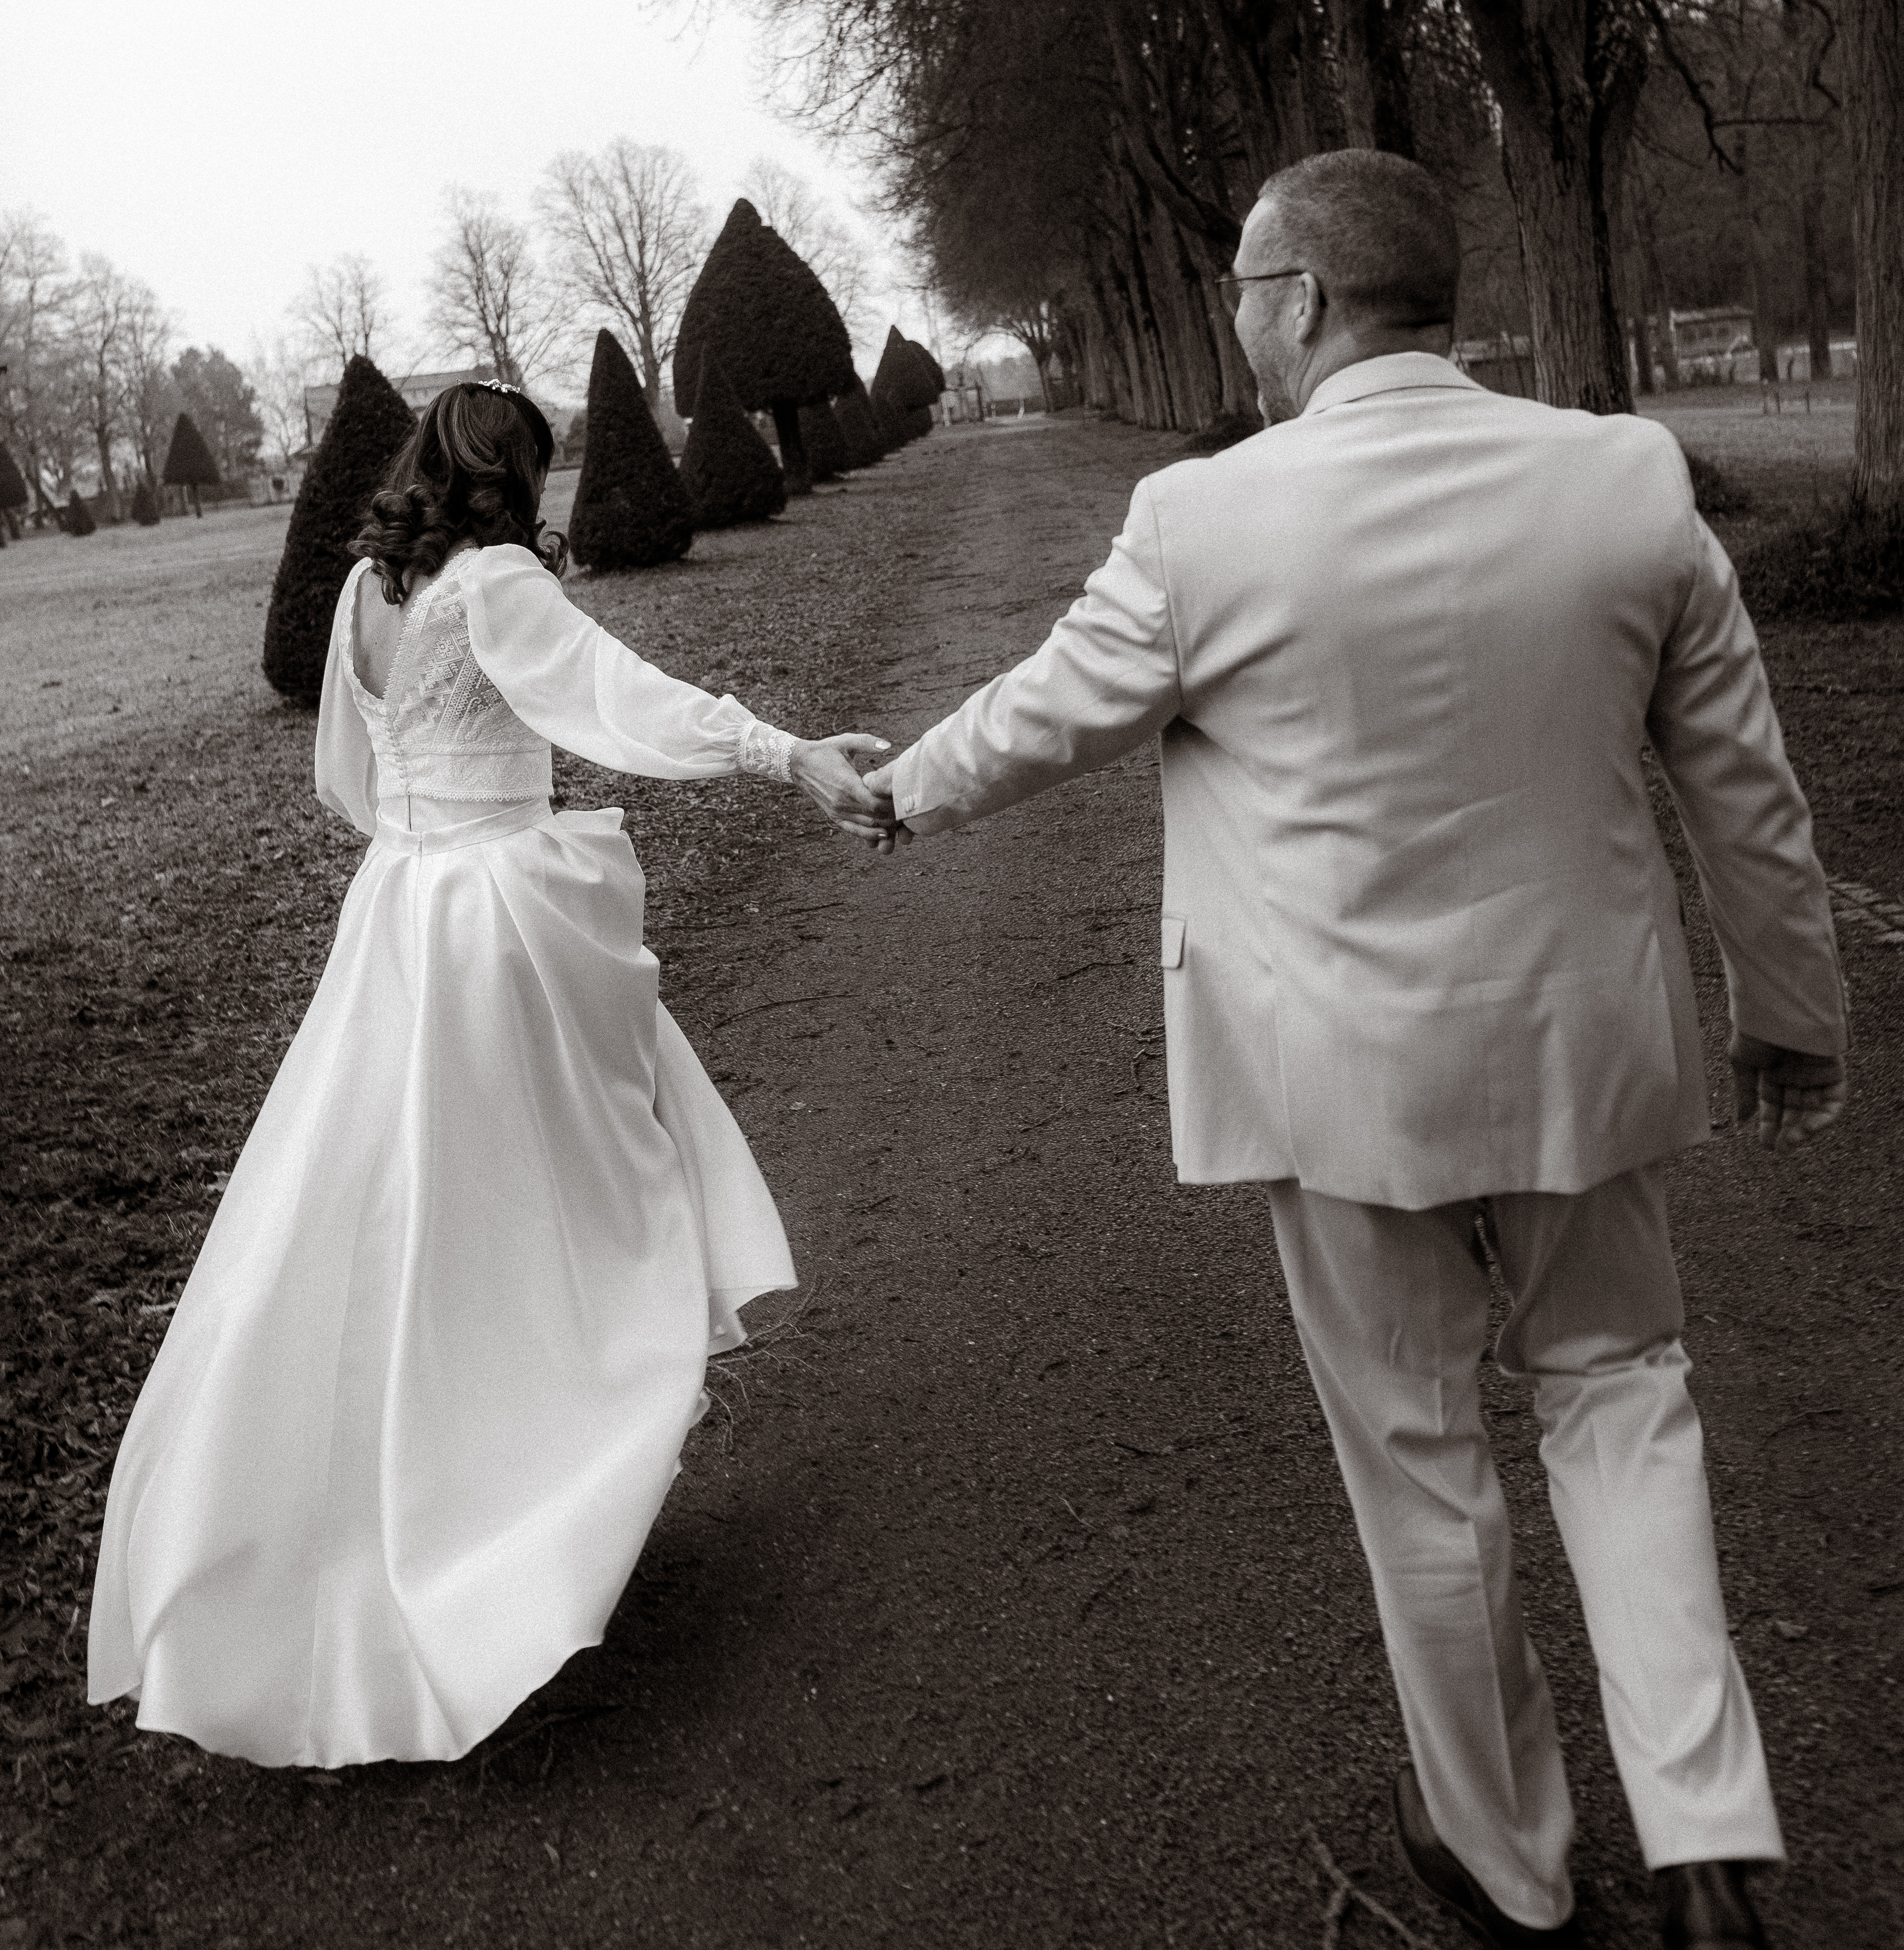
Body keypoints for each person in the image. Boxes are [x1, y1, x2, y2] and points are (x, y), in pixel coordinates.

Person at [864, 151, 1845, 1950]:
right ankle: (1711, 1847)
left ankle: (1508, 1862)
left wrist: (894, 794)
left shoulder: (1203, 522)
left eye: (1247, 285)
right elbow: (1745, 786)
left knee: (1421, 1460)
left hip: (1342, 1089)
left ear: (1306, 300)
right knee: (1623, 1405)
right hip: (1583, 1057)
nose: (1237, 317)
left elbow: (1042, 720)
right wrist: (1789, 1006)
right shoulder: (1624, 479)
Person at [90, 380, 890, 1768]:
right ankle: (537, 1493)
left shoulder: (357, 595)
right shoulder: (498, 580)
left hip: (399, 909)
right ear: (514, 476)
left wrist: (430, 824)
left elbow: (345, 779)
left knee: (382, 1208)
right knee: (559, 1197)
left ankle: (357, 1503)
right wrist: (789, 758)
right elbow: (623, 705)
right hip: (494, 920)